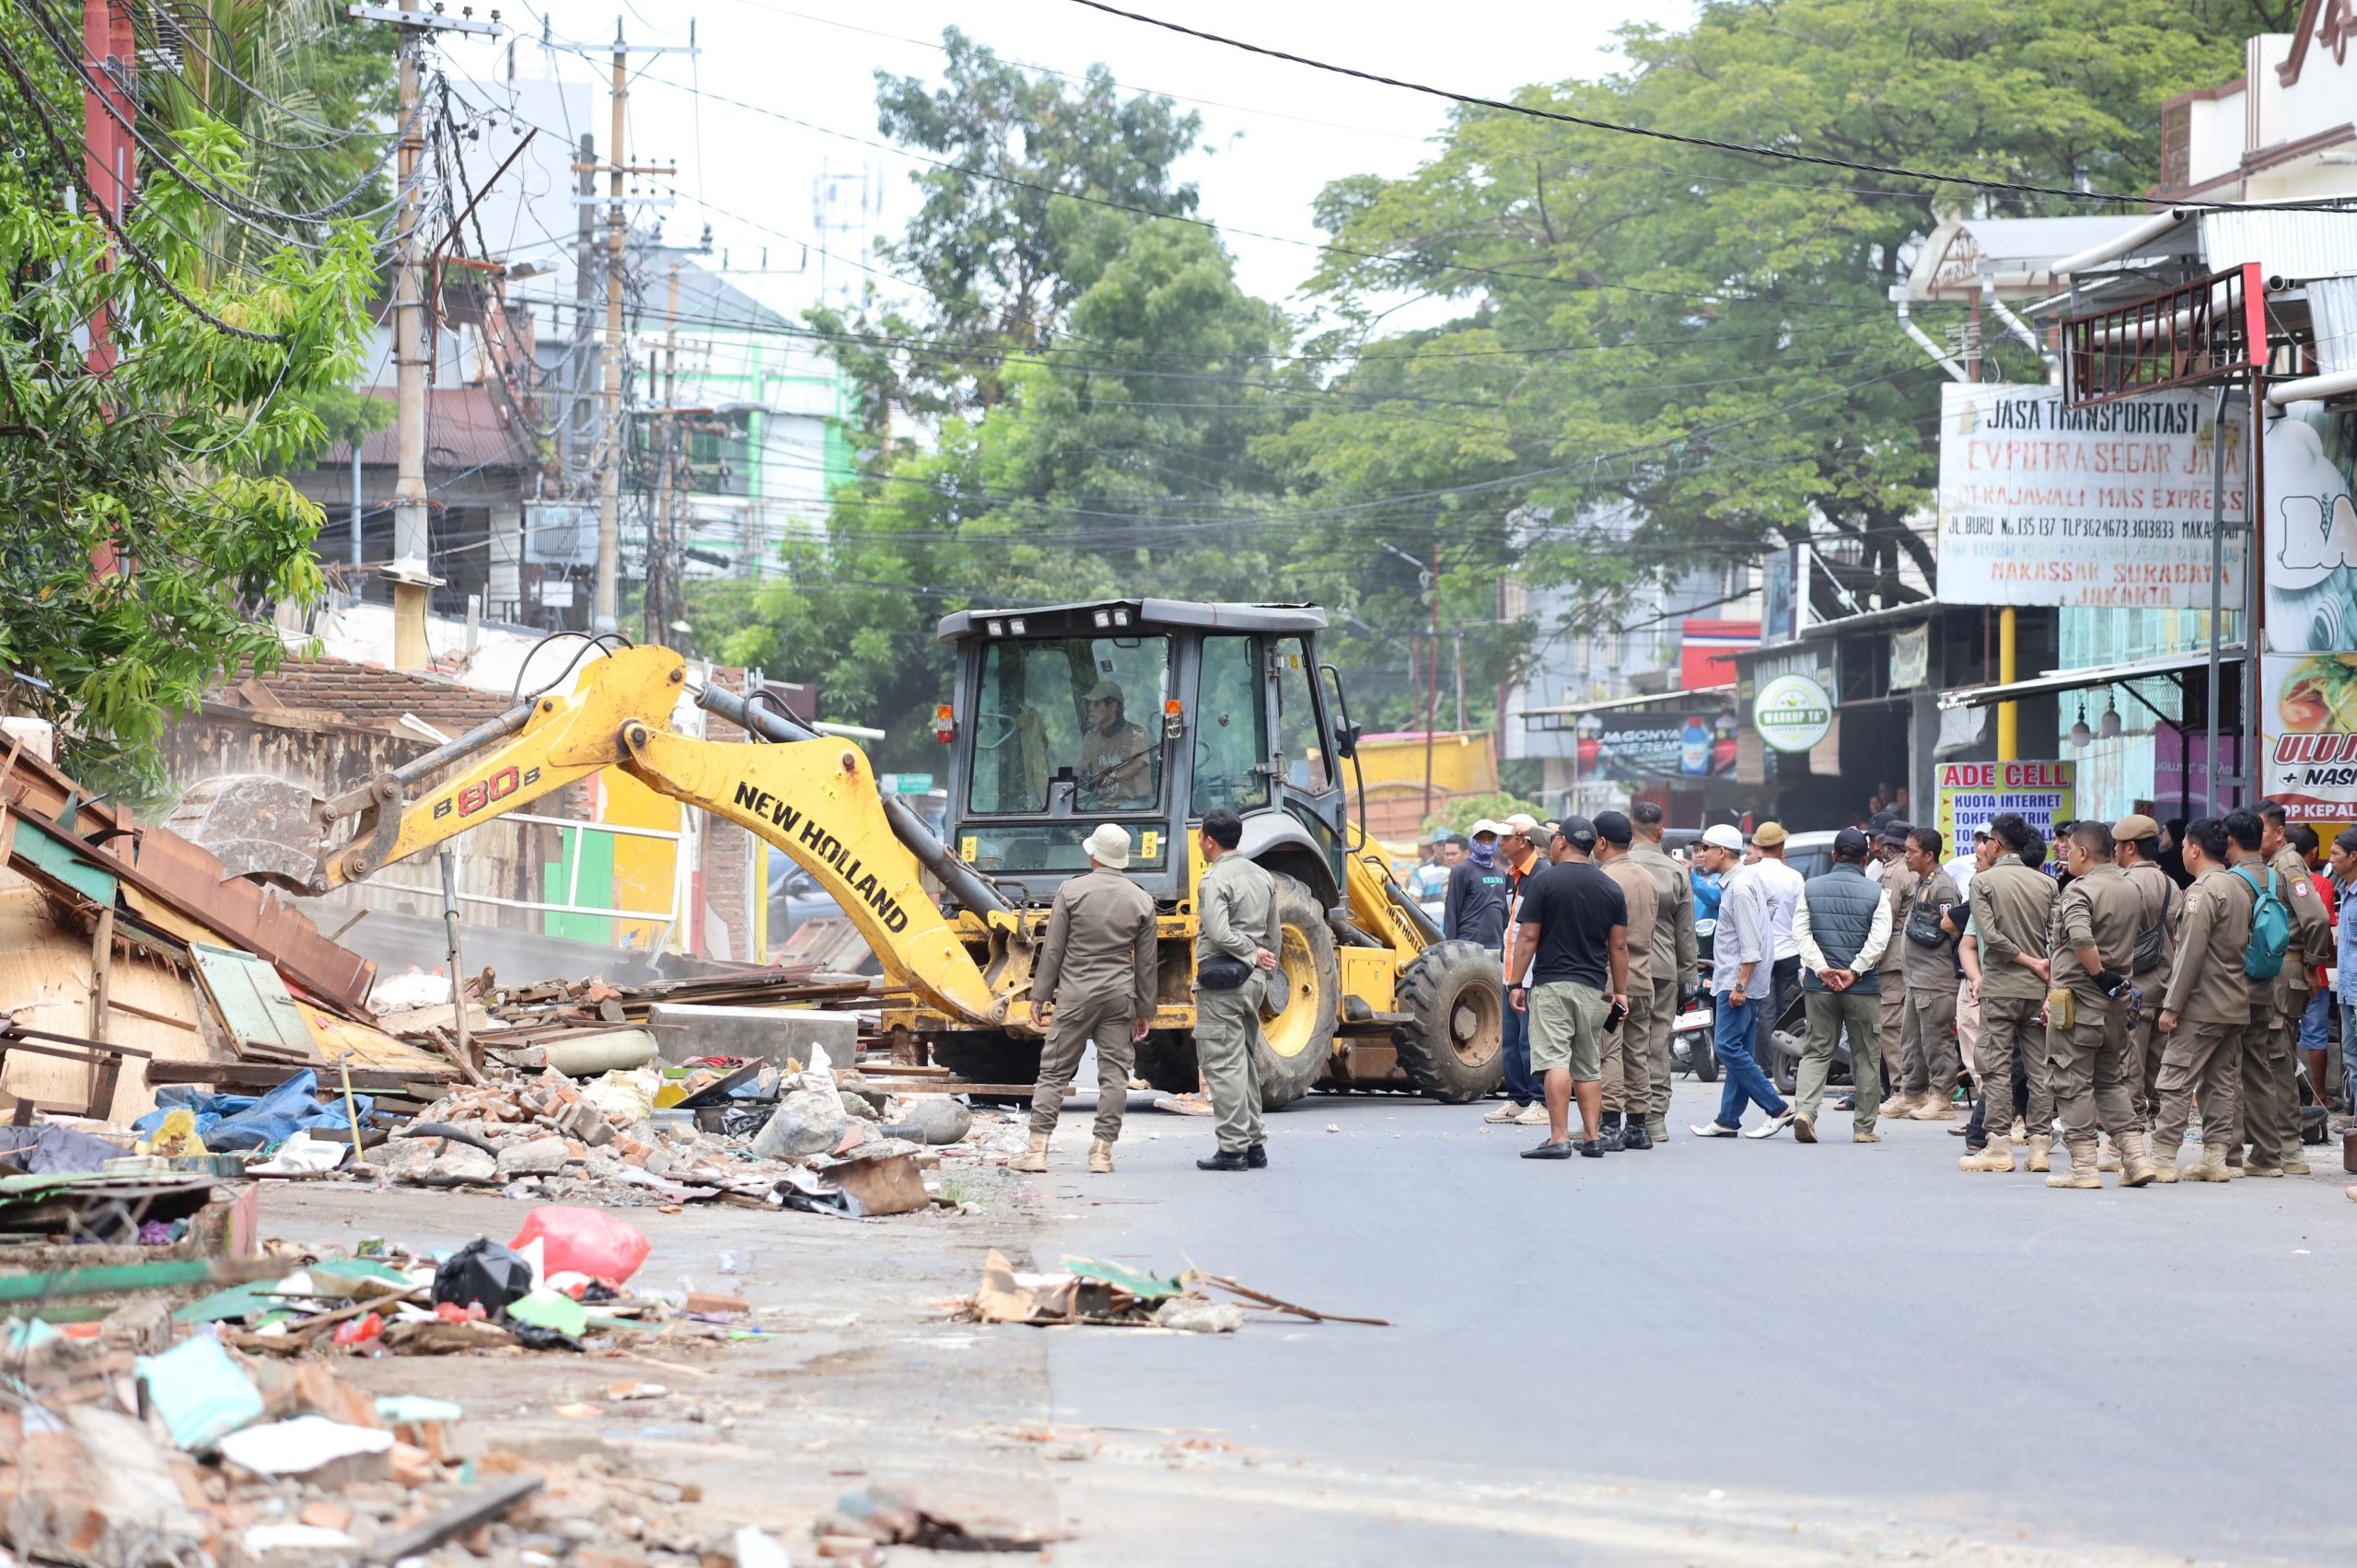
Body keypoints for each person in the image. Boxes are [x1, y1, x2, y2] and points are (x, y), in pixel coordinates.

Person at [1016, 823, 1158, 1176]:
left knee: (1053, 1072)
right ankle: (1101, 1154)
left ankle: (1037, 1151)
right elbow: (1147, 963)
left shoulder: (1072, 891)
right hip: (1118, 997)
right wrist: (1144, 1010)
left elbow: (1053, 949)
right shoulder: (1141, 899)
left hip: (1076, 996)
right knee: (1114, 1076)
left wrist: (1040, 994)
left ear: (1093, 854)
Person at [2041, 820, 2152, 1189]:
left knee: (2070, 1081)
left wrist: (2097, 972)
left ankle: (2084, 1166)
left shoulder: (2080, 890)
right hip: (2116, 1003)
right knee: (2110, 1082)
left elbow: (2080, 936)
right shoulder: (2129, 886)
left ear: (2083, 852)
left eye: (2069, 848)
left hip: (2078, 1000)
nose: (2066, 854)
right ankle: (2135, 1159)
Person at [1515, 817, 1629, 1160]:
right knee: (1588, 1063)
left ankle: (1559, 1138)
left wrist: (1515, 982)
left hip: (1552, 984)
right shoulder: (1610, 887)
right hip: (1593, 988)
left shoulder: (1545, 882)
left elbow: (1529, 936)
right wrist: (1620, 992)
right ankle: (1593, 1138)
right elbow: (1619, 947)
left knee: (1555, 1060)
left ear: (1562, 841)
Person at [2150, 816, 2256, 1182]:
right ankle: (2216, 1156)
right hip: (2233, 1002)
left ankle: (2163, 1157)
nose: (2181, 851)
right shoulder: (2239, 888)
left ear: (2194, 848)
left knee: (2176, 1079)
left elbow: (2189, 955)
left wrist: (2171, 1006)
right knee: (2221, 1083)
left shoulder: (2200, 892)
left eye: (2182, 846)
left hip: (2201, 1005)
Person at [1958, 813, 2059, 1174]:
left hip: (2001, 989)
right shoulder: (2047, 884)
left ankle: (1999, 1146)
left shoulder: (1983, 881)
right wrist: (2045, 972)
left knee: (1996, 1068)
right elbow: (2056, 941)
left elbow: (1991, 937)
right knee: (2040, 1069)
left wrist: (2028, 961)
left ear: (1996, 845)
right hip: (2038, 991)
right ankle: (2040, 1148)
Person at [1781, 827, 1892, 1144]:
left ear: (1833, 856)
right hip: (1863, 989)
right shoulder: (1876, 892)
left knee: (1816, 1051)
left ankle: (1805, 1111)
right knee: (1866, 1055)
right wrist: (1854, 971)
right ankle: (1865, 1128)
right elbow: (1879, 939)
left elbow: (1800, 933)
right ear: (1865, 857)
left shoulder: (1811, 887)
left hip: (1820, 987)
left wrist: (1823, 969)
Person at [1689, 824, 1795, 1138]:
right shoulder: (1747, 879)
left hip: (1738, 980)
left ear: (1721, 851)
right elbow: (1771, 905)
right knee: (1740, 1049)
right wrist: (1760, 928)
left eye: (1706, 848)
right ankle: (1727, 1119)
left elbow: (1750, 946)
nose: (1701, 854)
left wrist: (1740, 984)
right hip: (1745, 978)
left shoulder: (1740, 887)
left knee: (1726, 1046)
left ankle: (1778, 1108)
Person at [1190, 808, 1281, 1173]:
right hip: (1253, 983)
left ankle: (1232, 1149)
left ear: (1209, 840)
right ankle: (1254, 1143)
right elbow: (1274, 934)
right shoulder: (1262, 876)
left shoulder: (1214, 880)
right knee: (1242, 1061)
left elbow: (1217, 931)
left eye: (1199, 836)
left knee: (1222, 1064)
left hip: (1224, 983)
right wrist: (1262, 967)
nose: (1199, 842)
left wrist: (1249, 953)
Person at [1629, 802, 1698, 1148]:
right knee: (1657, 1044)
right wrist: (1690, 978)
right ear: (1661, 832)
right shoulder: (1676, 872)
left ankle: (1623, 1116)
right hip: (1665, 969)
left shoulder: (1616, 867)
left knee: (1619, 1044)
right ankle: (1655, 1119)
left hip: (1623, 969)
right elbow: (1686, 932)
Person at [1593, 811, 1660, 1152]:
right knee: (1638, 1054)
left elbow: (1605, 939)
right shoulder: (1647, 878)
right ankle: (1638, 1127)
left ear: (1600, 842)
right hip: (1643, 979)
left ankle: (1609, 1126)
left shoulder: (1605, 880)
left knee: (1609, 1053)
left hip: (1612, 984)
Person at [2113, 814, 2177, 1137]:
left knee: (2128, 1069)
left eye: (2118, 846)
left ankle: (2131, 1132)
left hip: (2132, 990)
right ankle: (2162, 1131)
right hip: (2165, 989)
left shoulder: (2124, 884)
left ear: (2130, 847)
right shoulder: (2170, 883)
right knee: (2161, 1070)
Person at [1486, 815, 1550, 1127]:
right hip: (1511, 972)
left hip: (1530, 974)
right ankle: (1518, 1097)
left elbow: (1535, 932)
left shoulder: (1542, 875)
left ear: (1523, 840)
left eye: (1505, 838)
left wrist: (1524, 977)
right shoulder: (1514, 875)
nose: (1500, 844)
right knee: (1511, 1040)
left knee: (1529, 1042)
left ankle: (1540, 1100)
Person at [1898, 827, 1963, 1120]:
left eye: (1911, 851)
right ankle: (1912, 1093)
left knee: (1936, 1040)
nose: (1906, 856)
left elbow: (1953, 927)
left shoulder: (1943, 887)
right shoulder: (1924, 882)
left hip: (1936, 979)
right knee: (1912, 1039)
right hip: (1917, 977)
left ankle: (1942, 1097)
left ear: (1929, 855)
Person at [1747, 820, 1806, 1073]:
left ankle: (1769, 1066)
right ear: (1782, 846)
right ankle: (1787, 1064)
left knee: (1764, 1011)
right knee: (1787, 1010)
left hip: (1759, 955)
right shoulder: (1793, 877)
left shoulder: (1749, 875)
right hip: (1789, 954)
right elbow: (1802, 918)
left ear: (1758, 847)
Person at [1872, 822, 1922, 1112]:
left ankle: (1902, 1088)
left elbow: (1884, 919)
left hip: (1894, 958)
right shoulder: (1922, 871)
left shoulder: (1893, 873)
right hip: (1918, 957)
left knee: (1891, 1026)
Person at [2290, 824, 2336, 1133]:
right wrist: (2315, 965)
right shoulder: (2319, 883)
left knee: (2282, 1035)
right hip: (2313, 971)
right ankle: (2318, 1095)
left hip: (2280, 970)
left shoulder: (2272, 878)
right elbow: (2323, 926)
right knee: (2315, 1033)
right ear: (2314, 853)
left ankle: (2290, 1096)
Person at [1076, 680, 1153, 807]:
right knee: (1079, 814)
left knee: (1128, 819)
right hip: (1102, 802)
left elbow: (1137, 765)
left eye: (1096, 703)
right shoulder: (1091, 737)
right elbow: (1080, 768)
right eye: (1091, 703)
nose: (1090, 708)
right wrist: (1070, 780)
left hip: (1133, 804)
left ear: (1113, 706)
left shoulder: (1137, 734)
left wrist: (1112, 777)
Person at [1444, 819, 1511, 948]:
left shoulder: (1501, 873)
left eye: (1490, 838)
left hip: (1496, 945)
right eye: (1481, 838)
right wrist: (1449, 947)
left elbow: (1506, 913)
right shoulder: (1462, 871)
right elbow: (1452, 910)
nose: (1486, 842)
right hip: (1468, 945)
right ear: (1472, 840)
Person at [2333, 826, 2357, 1119]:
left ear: (2354, 856)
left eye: (2336, 854)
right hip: (2348, 991)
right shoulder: (2345, 890)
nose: (2332, 859)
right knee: (2351, 1057)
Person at [1945, 826, 1989, 900]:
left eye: (1984, 840)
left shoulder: (2000, 866)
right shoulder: (1958, 863)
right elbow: (1937, 880)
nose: (1981, 844)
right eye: (1978, 839)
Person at [2158, 817, 2191, 889]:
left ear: (2174, 831)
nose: (2160, 835)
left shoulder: (2177, 855)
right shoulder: (2175, 854)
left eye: (2163, 830)